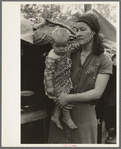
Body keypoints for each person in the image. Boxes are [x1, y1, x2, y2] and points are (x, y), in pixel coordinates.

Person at [48, 10, 113, 144]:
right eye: (76, 30)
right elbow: (54, 75)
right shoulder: (69, 52)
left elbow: (97, 93)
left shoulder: (104, 59)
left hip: (85, 117)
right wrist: (58, 100)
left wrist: (68, 98)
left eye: (82, 29)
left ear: (94, 31)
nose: (78, 34)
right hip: (61, 111)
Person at [44, 27, 80, 130]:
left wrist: (78, 45)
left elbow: (73, 47)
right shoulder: (51, 58)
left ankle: (55, 116)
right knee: (63, 97)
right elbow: (48, 73)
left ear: (68, 44)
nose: (61, 49)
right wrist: (50, 87)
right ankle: (66, 117)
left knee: (63, 96)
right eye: (58, 46)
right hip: (54, 82)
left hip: (64, 79)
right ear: (52, 45)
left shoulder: (67, 49)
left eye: (64, 46)